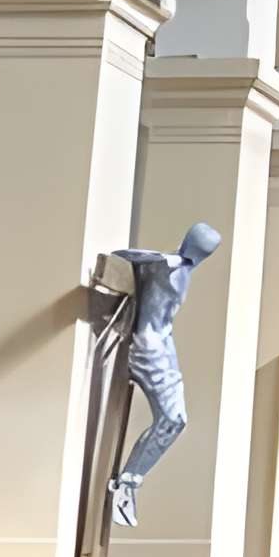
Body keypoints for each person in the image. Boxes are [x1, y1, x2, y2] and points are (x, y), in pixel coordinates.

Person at [106, 221, 221, 527]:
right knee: (173, 419)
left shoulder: (182, 269)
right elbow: (123, 255)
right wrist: (153, 259)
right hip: (148, 347)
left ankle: (129, 482)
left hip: (163, 346)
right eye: (205, 247)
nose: (206, 253)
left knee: (176, 419)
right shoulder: (168, 265)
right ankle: (126, 485)